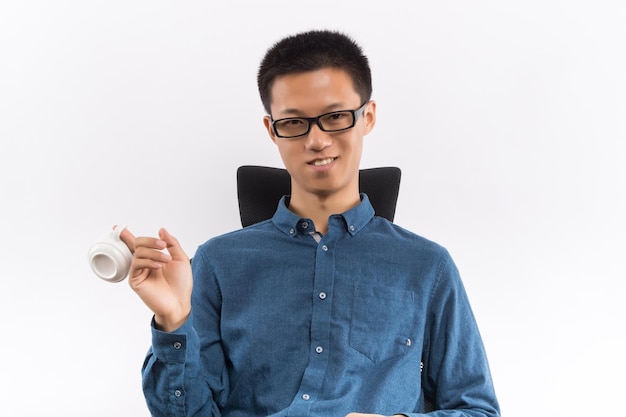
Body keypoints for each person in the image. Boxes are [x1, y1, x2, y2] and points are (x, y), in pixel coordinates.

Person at [120, 30, 500, 417]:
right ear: (272, 130)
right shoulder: (218, 263)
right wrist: (173, 321)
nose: (316, 140)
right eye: (294, 123)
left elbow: (478, 409)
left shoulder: (426, 267)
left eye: (335, 117)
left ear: (367, 117)